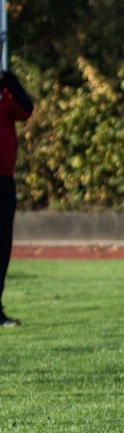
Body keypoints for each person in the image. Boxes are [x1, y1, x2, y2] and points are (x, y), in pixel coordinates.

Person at [0, 68, 35, 328]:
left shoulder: (5, 87)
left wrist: (11, 82)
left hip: (3, 180)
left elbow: (25, 111)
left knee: (1, 247)